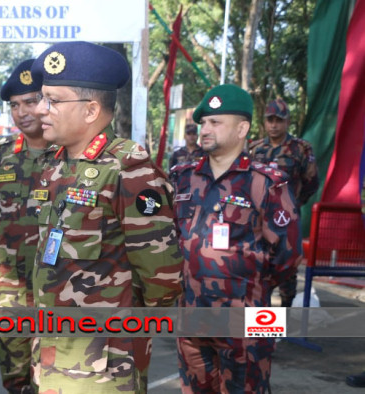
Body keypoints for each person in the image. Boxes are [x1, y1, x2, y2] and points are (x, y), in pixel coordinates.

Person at [29, 41, 183, 393]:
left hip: (104, 366)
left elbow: (164, 280)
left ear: (90, 110)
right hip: (52, 352)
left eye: (53, 99)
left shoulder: (129, 171)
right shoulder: (55, 167)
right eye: (42, 97)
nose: (40, 109)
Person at [170, 84, 302, 393]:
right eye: (204, 122)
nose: (205, 129)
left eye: (216, 122)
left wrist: (249, 288)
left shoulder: (265, 182)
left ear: (242, 128)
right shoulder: (183, 177)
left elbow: (288, 255)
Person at [0, 58, 50, 394]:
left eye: (31, 101)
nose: (22, 112)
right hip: (11, 284)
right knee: (15, 374)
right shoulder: (0, 157)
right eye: (14, 105)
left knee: (51, 377)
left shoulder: (73, 155)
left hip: (58, 285)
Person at [249, 98, 318, 307]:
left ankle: (284, 320)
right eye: (270, 120)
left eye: (278, 120)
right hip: (260, 219)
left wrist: (293, 204)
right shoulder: (255, 149)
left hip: (287, 220)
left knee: (287, 269)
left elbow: (311, 182)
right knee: (259, 267)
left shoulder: (301, 149)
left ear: (287, 121)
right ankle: (263, 328)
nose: (273, 125)